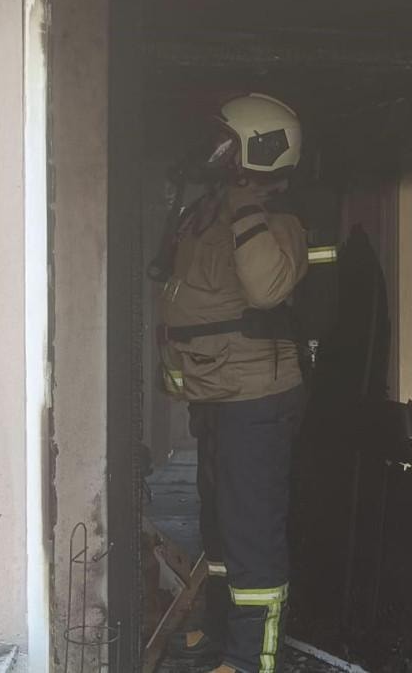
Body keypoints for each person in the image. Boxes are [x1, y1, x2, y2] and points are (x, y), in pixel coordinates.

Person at [159, 93, 308, 673]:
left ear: (257, 150)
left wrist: (247, 209)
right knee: (219, 530)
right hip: (218, 397)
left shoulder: (277, 219)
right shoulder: (210, 210)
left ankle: (250, 662)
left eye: (226, 142)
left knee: (252, 539)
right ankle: (221, 634)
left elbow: (267, 290)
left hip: (257, 401)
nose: (213, 150)